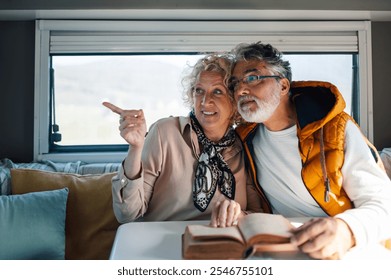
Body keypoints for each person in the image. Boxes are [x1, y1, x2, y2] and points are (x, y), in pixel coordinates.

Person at [218, 41, 391, 259]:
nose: (241, 90)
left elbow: (385, 204)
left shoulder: (335, 129)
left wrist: (346, 230)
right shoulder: (245, 138)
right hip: (283, 247)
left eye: (253, 78)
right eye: (235, 84)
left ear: (283, 86)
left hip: (341, 250)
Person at [103, 54, 262, 225]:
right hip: (160, 241)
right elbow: (127, 213)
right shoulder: (164, 133)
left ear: (234, 101)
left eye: (217, 91)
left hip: (219, 243)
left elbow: (258, 214)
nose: (205, 101)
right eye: (199, 90)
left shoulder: (244, 147)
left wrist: (239, 216)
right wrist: (136, 148)